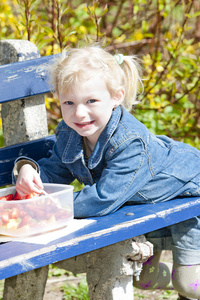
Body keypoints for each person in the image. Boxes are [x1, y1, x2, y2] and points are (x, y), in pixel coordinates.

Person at [13, 45, 200, 300]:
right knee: (144, 280)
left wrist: (47, 209)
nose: (79, 113)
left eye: (91, 101)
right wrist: (28, 170)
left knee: (188, 284)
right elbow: (53, 172)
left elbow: (103, 199)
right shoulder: (70, 134)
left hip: (190, 196)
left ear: (116, 97)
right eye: (69, 102)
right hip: (148, 204)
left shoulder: (130, 142)